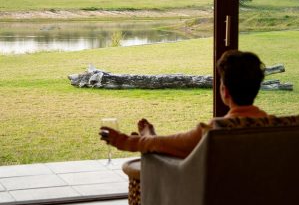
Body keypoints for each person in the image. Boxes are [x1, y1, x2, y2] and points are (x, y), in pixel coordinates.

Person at [99, 50, 268, 159]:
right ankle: (149, 135)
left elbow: (166, 145)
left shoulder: (213, 132)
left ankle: (149, 136)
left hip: (213, 203)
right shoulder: (281, 127)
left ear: (224, 91)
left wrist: (124, 140)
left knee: (161, 150)